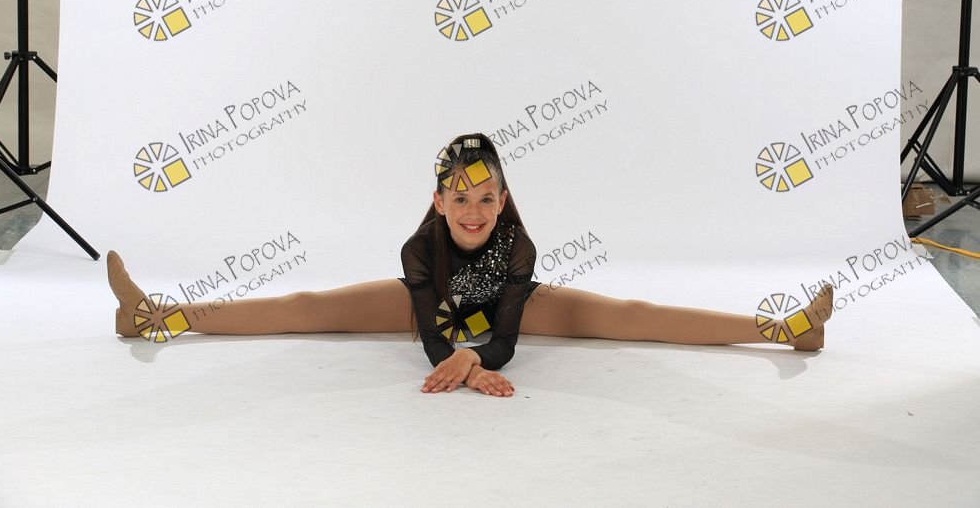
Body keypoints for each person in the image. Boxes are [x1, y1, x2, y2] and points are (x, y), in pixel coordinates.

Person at [107, 132, 834, 399]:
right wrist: (456, 358)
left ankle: (788, 329)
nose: (474, 210)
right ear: (438, 200)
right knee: (306, 305)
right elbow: (431, 330)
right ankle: (152, 315)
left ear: (503, 197)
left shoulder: (516, 246)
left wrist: (479, 357)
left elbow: (507, 333)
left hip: (504, 307)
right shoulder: (418, 249)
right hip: (433, 305)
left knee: (632, 315)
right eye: (460, 197)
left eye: (486, 197)